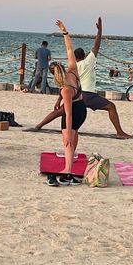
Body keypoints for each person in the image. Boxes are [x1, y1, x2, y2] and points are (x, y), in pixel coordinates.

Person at [28, 17, 132, 138]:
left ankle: (39, 126)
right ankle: (119, 132)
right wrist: (100, 31)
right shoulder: (88, 61)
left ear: (75, 57)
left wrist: (58, 100)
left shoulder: (71, 69)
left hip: (76, 96)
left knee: (60, 111)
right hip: (87, 95)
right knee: (111, 107)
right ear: (84, 55)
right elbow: (96, 45)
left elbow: (66, 86)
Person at [51, 20, 85, 175]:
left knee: (67, 142)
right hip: (82, 108)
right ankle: (72, 158)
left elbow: (68, 113)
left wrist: (67, 132)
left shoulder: (65, 88)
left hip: (74, 112)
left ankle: (68, 168)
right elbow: (70, 50)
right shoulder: (73, 71)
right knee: (74, 133)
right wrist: (65, 32)